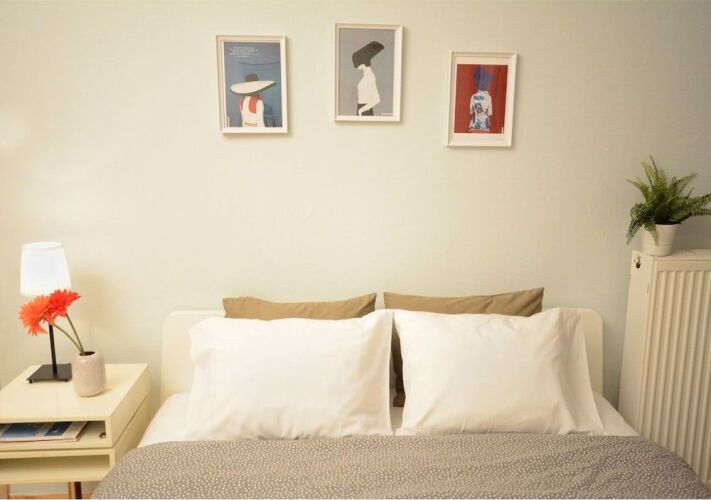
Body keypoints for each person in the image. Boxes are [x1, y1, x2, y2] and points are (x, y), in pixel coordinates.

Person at [351, 41, 384, 116]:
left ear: (362, 63)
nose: (357, 67)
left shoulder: (370, 76)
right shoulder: (366, 76)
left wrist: (361, 110)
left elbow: (376, 99)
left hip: (365, 110)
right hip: (362, 108)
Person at [469, 66, 493, 132]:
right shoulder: (488, 97)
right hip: (485, 127)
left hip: (474, 126)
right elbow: (490, 113)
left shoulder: (473, 96)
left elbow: (471, 112)